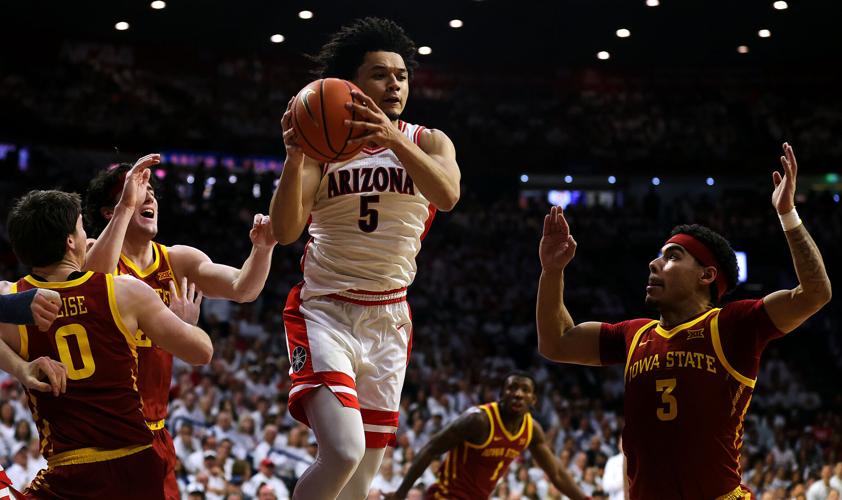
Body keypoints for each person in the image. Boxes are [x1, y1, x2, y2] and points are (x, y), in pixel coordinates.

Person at [535, 143, 831, 499]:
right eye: (658, 257)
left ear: (706, 275)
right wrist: (552, 272)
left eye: (672, 257)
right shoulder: (634, 334)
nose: (654, 264)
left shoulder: (732, 325)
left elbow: (815, 293)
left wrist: (788, 216)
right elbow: (556, 342)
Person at [270, 17, 460, 499]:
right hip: (326, 310)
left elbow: (448, 193)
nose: (394, 83)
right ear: (350, 85)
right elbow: (286, 230)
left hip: (390, 317)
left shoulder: (428, 141)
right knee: (344, 451)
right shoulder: (322, 149)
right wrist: (294, 157)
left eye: (400, 75)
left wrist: (392, 138)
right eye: (379, 73)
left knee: (358, 484)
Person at [84, 155, 277, 499]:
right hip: (104, 434)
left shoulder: (176, 260)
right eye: (137, 190)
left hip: (155, 431)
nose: (149, 197)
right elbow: (94, 285)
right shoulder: (94, 255)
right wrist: (177, 329)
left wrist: (262, 250)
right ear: (109, 211)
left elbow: (242, 288)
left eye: (151, 190)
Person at [0, 189, 213, 499]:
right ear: (70, 241)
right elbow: (202, 352)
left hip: (71, 472)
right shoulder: (124, 291)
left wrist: (20, 368)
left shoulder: (11, 299)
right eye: (83, 228)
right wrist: (183, 323)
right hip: (137, 466)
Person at [384, 373, 587, 500]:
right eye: (512, 388)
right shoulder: (478, 420)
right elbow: (430, 449)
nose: (517, 394)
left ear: (533, 399)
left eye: (525, 390)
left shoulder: (531, 429)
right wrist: (401, 493)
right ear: (502, 394)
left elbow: (557, 474)